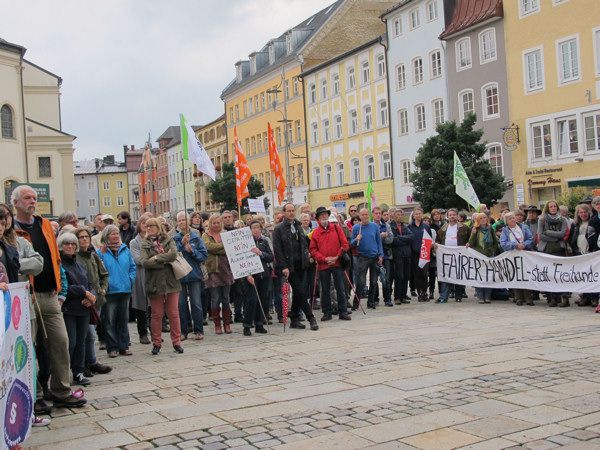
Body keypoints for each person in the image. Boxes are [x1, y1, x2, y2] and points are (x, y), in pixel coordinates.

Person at [12, 185, 87, 408]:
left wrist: (58, 283)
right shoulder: (11, 229)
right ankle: (33, 395)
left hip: (50, 294)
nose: (32, 201)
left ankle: (61, 390)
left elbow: (54, 257)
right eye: (27, 198)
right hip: (26, 296)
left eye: (34, 198)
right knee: (28, 346)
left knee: (61, 341)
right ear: (15, 202)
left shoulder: (43, 224)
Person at [58, 232, 97, 387]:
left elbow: (89, 284)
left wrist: (91, 296)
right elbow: (64, 286)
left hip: (83, 309)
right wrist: (84, 292)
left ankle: (78, 372)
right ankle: (64, 373)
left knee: (81, 342)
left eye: (73, 244)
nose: (70, 246)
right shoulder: (60, 264)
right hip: (68, 309)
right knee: (71, 342)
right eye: (66, 244)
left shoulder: (79, 265)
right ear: (61, 246)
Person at [140, 218, 184, 354]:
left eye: (151, 226)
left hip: (171, 281)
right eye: (146, 226)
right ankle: (156, 343)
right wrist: (163, 259)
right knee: (157, 314)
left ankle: (177, 342)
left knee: (173, 313)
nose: (148, 228)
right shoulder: (145, 243)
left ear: (158, 226)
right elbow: (144, 262)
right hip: (154, 282)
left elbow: (173, 255)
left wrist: (157, 258)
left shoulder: (168, 239)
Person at [273, 203, 319, 330]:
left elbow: (303, 242)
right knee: (300, 291)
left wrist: (307, 254)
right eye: (288, 211)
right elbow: (277, 250)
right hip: (289, 266)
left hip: (301, 264)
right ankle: (311, 318)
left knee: (299, 293)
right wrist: (283, 266)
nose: (291, 213)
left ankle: (294, 319)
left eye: (293, 210)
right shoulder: (279, 229)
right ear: (284, 212)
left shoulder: (298, 225)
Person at [74, 227, 112, 376]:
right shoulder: (75, 257)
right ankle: (84, 364)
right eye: (81, 237)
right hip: (82, 301)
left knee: (92, 333)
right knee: (86, 334)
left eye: (86, 237)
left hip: (96, 299)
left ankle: (91, 361)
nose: (84, 239)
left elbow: (104, 274)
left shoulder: (93, 255)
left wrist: (102, 289)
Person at [96, 224, 136, 357]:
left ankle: (124, 346)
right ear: (106, 236)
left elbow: (132, 267)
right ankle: (112, 347)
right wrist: (103, 286)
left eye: (117, 233)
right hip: (109, 291)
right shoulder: (100, 252)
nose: (116, 235)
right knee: (109, 320)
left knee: (123, 319)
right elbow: (98, 271)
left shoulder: (125, 249)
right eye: (112, 233)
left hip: (124, 289)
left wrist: (130, 279)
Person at [309, 207, 351, 321]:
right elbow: (313, 250)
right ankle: (327, 312)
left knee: (340, 288)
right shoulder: (316, 232)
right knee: (325, 290)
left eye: (325, 215)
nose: (324, 217)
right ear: (318, 219)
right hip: (324, 265)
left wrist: (337, 256)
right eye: (321, 216)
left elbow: (345, 244)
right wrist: (324, 259)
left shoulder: (337, 228)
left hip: (337, 263)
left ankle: (343, 311)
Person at [173, 211, 208, 341]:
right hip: (180, 275)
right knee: (181, 304)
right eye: (179, 220)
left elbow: (204, 256)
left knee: (196, 303)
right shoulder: (175, 238)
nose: (181, 222)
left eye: (184, 220)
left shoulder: (196, 237)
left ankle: (198, 330)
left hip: (194, 275)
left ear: (189, 222)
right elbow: (173, 256)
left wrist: (191, 251)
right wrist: (182, 245)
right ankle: (184, 330)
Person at [203, 214, 235, 335]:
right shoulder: (206, 235)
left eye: (218, 222)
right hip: (213, 270)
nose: (216, 225)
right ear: (210, 224)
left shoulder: (227, 234)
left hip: (226, 269)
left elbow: (230, 248)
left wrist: (218, 248)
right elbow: (208, 247)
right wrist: (223, 246)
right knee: (215, 298)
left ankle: (227, 323)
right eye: (214, 223)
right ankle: (217, 324)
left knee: (226, 298)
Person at [243, 220, 274, 336]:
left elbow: (270, 257)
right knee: (251, 300)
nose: (256, 229)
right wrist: (247, 274)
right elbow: (242, 259)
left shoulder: (264, 241)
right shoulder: (246, 242)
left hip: (264, 275)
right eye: (253, 227)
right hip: (251, 275)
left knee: (263, 299)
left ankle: (259, 324)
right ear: (250, 230)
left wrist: (261, 253)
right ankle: (247, 325)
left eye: (258, 227)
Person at [537, 200, 569, 307]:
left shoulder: (563, 220)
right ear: (547, 208)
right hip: (546, 249)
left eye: (555, 206)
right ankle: (553, 298)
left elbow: (562, 233)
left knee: (561, 274)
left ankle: (564, 297)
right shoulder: (542, 220)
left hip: (559, 248)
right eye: (551, 207)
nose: (553, 208)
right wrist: (554, 238)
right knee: (550, 274)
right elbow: (540, 235)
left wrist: (549, 232)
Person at [351, 208, 383, 309]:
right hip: (362, 258)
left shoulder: (374, 226)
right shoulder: (356, 227)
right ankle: (356, 303)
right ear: (359, 216)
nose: (365, 216)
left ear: (368, 215)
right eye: (362, 215)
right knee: (361, 282)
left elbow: (379, 242)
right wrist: (356, 239)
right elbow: (351, 244)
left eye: (366, 214)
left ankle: (371, 302)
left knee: (374, 281)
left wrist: (381, 255)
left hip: (374, 257)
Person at [435, 208, 469, 303]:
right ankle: (443, 297)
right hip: (446, 256)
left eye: (454, 214)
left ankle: (458, 296)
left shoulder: (464, 227)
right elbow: (437, 240)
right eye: (450, 215)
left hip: (459, 255)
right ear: (447, 216)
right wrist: (436, 245)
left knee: (458, 274)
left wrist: (468, 244)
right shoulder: (443, 228)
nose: (452, 216)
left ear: (457, 216)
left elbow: (469, 240)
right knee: (446, 275)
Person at [500, 211, 534, 306]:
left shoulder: (523, 227)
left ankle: (528, 298)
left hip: (525, 254)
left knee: (526, 275)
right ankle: (518, 297)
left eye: (513, 218)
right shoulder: (505, 231)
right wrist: (515, 245)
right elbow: (503, 243)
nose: (512, 220)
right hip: (513, 256)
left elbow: (530, 239)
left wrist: (524, 245)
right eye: (509, 219)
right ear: (506, 221)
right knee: (516, 276)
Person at [129, 213, 152, 344]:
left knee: (154, 306)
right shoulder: (134, 242)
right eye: (144, 223)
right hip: (140, 276)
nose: (146, 225)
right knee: (141, 306)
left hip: (153, 275)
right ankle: (142, 333)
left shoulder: (154, 239)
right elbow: (138, 260)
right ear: (139, 225)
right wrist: (154, 259)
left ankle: (154, 331)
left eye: (149, 223)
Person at [467, 213, 500, 304]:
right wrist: (473, 234)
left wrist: (492, 250)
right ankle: (480, 296)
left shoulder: (490, 229)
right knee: (479, 276)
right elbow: (471, 244)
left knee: (489, 276)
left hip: (489, 256)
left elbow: (495, 243)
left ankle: (488, 296)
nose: (483, 219)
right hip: (478, 256)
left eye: (485, 217)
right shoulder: (475, 229)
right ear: (478, 220)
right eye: (481, 218)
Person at [569, 204, 598, 306]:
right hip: (579, 252)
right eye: (581, 212)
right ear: (578, 214)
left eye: (585, 212)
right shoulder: (575, 224)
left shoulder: (593, 222)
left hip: (590, 252)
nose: (583, 214)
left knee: (591, 275)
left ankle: (594, 297)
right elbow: (571, 238)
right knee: (582, 276)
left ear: (588, 213)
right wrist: (575, 250)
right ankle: (584, 296)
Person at [408, 207, 431, 303]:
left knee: (424, 274)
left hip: (424, 254)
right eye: (416, 214)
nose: (418, 215)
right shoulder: (409, 227)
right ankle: (419, 293)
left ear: (422, 215)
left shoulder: (426, 226)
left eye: (419, 213)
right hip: (414, 254)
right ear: (413, 216)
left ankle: (425, 292)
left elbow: (430, 239)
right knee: (417, 275)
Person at [389, 208, 412, 305]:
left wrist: (399, 238)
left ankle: (403, 296)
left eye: (401, 215)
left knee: (406, 275)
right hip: (397, 254)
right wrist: (403, 239)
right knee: (399, 276)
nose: (399, 217)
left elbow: (411, 236)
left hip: (406, 254)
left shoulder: (405, 226)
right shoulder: (390, 226)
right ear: (393, 216)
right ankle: (397, 297)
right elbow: (393, 240)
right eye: (397, 215)